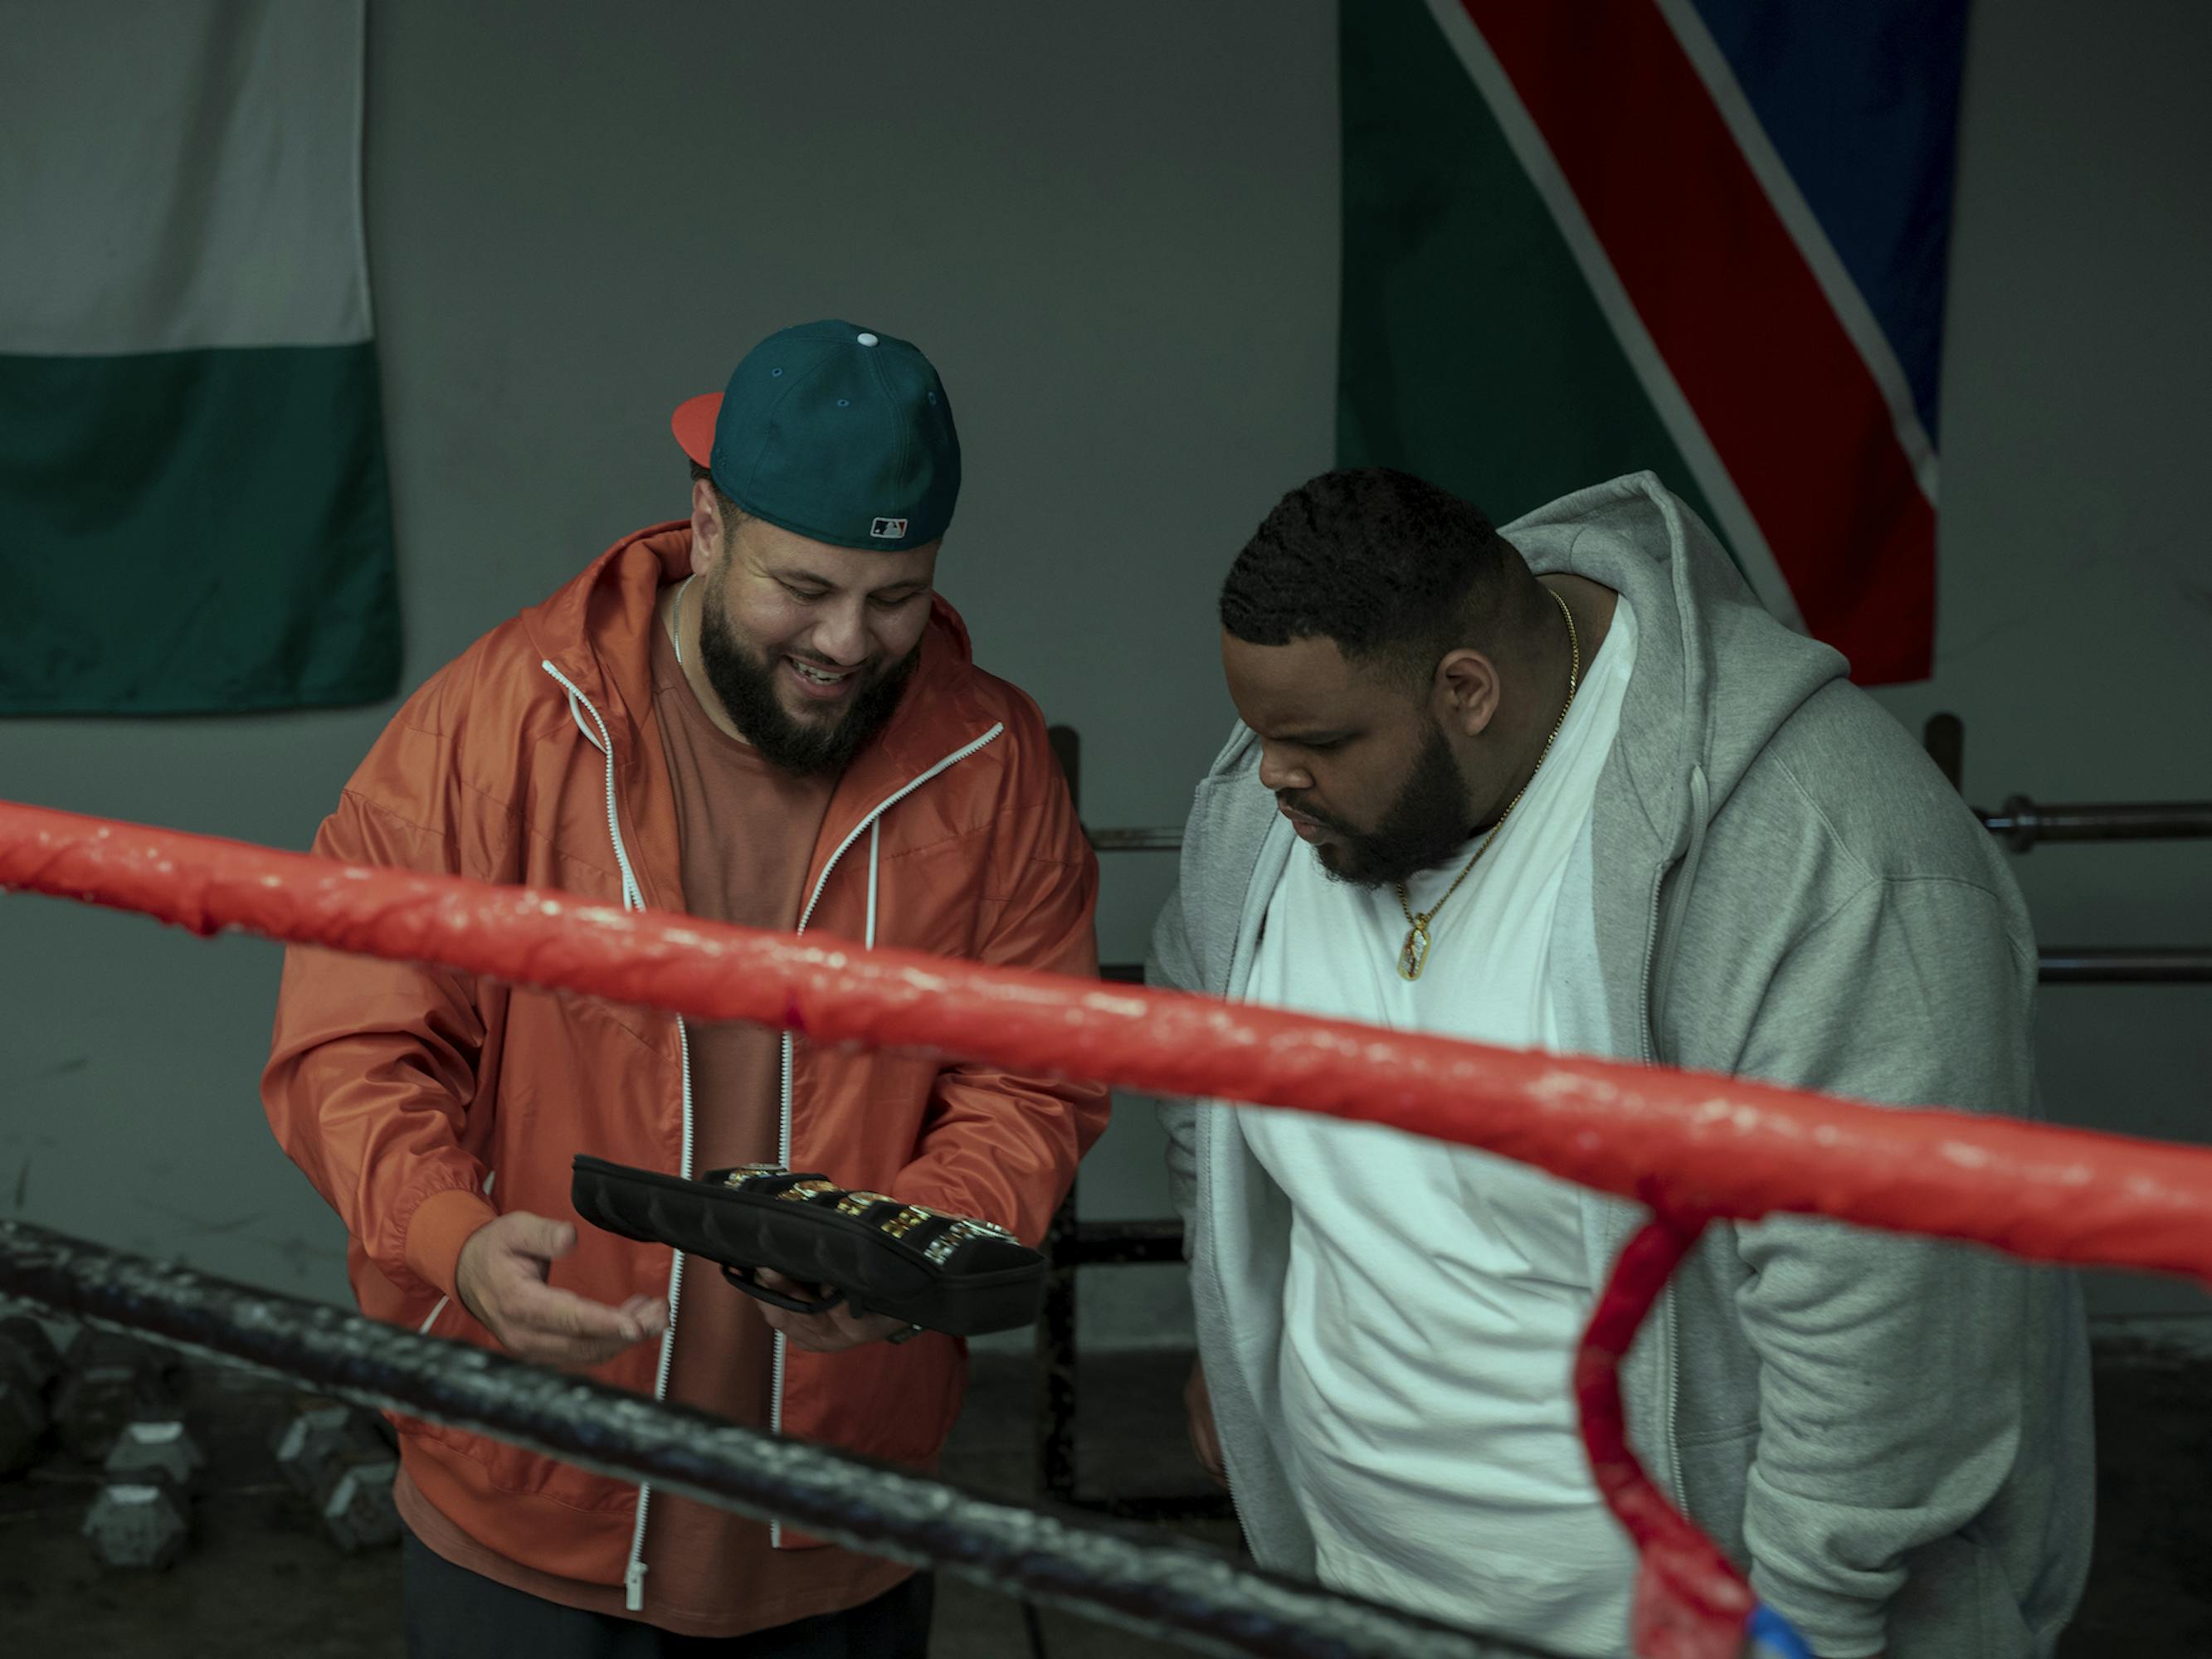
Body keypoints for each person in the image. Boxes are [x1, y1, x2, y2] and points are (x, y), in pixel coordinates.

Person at [263, 319, 1109, 1656]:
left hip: (846, 1511)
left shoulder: (989, 763)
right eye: (805, 588)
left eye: (896, 597)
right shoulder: (498, 727)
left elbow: (1034, 1076)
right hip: (527, 1497)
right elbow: (351, 1042)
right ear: (707, 526)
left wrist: (908, 1249)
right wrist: (450, 1241)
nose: (848, 641)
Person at [1151, 467, 2093, 1658]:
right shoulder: (1274, 805)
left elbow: (1892, 1321)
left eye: (1316, 742)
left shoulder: (1828, 852)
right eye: (1260, 733)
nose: (1267, 773)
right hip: (1353, 1586)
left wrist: (1802, 1629)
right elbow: (1205, 1095)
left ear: (1466, 689)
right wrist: (1225, 1326)